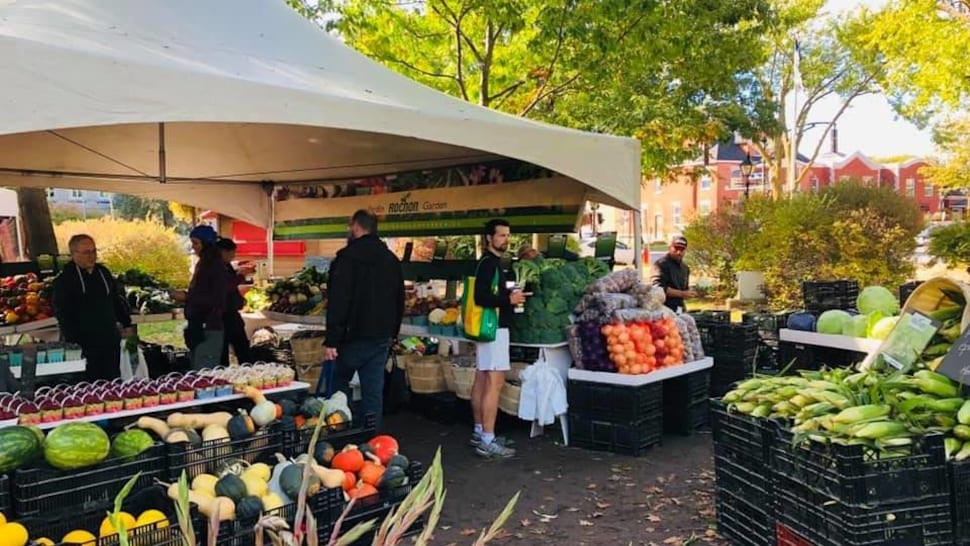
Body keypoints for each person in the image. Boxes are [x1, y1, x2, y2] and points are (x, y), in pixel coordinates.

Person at [324, 210, 404, 429]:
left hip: (351, 337)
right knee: (373, 390)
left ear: (356, 227)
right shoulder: (391, 260)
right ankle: (371, 437)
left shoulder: (346, 259)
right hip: (380, 337)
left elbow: (338, 301)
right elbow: (399, 299)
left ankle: (339, 431)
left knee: (340, 385)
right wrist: (393, 334)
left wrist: (332, 339)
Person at [470, 219, 527, 459]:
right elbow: (481, 296)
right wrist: (509, 301)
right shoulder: (490, 264)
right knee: (495, 383)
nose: (506, 240)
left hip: (487, 331)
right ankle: (488, 439)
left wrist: (506, 294)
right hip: (495, 330)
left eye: (507, 235)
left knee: (483, 378)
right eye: (501, 235)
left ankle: (479, 430)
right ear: (489, 238)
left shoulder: (488, 263)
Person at [52, 234, 134, 381]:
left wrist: (126, 323)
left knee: (112, 379)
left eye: (94, 251)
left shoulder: (103, 273)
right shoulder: (64, 280)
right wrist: (73, 341)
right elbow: (62, 313)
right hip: (84, 342)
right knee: (88, 381)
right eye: (86, 252)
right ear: (73, 254)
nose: (91, 256)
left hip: (109, 338)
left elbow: (115, 300)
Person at [173, 225, 226, 369]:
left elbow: (215, 298)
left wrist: (186, 297)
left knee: (204, 371)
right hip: (199, 325)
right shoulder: (204, 263)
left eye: (196, 243)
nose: (193, 247)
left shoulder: (215, 266)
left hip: (209, 326)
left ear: (206, 244)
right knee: (198, 366)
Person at [215, 238, 251, 365]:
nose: (233, 256)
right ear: (223, 251)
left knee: (242, 347)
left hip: (230, 312)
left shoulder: (225, 264)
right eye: (232, 253)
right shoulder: (215, 266)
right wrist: (240, 276)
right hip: (224, 313)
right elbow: (226, 285)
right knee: (233, 349)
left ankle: (246, 369)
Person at [650, 235, 697, 312]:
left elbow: (685, 289)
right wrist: (682, 293)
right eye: (676, 248)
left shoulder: (685, 268)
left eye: (682, 250)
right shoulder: (660, 265)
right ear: (669, 248)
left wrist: (690, 293)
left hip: (680, 308)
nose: (679, 252)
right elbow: (658, 288)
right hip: (664, 308)